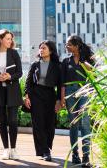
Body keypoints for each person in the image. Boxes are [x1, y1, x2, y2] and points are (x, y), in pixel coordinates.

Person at [0, 29, 23, 160]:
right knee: (2, 122)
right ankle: (6, 149)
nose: (10, 41)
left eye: (11, 39)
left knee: (12, 121)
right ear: (0, 39)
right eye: (7, 38)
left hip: (13, 91)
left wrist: (9, 76)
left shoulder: (14, 53)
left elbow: (20, 72)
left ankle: (14, 149)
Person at [24, 40, 62, 161]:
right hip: (36, 95)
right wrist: (27, 96)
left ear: (50, 51)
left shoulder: (57, 66)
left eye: (44, 48)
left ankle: (47, 148)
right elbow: (28, 82)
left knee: (50, 124)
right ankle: (44, 150)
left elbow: (60, 85)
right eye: (40, 48)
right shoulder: (35, 64)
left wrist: (59, 100)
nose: (41, 50)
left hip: (50, 95)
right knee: (38, 124)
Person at [60, 35, 95, 167]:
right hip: (70, 92)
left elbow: (94, 72)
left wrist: (84, 62)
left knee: (85, 122)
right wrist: (62, 98)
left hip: (85, 90)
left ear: (77, 45)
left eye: (69, 44)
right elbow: (62, 82)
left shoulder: (88, 59)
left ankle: (86, 156)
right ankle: (75, 154)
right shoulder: (65, 61)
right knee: (73, 123)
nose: (66, 46)